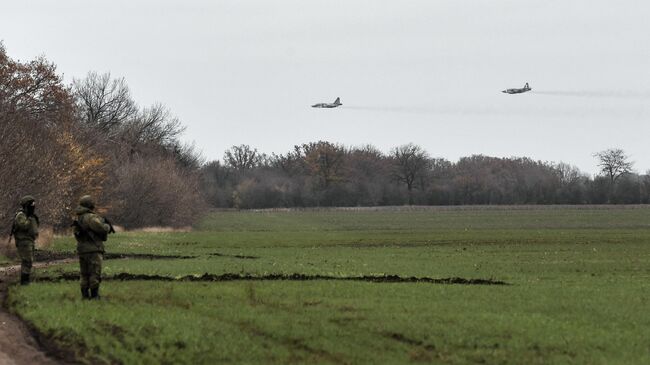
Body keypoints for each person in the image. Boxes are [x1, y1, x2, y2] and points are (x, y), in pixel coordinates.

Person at [72, 195, 114, 299]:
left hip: (82, 249)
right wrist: (107, 226)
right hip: (93, 249)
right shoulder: (90, 217)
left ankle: (85, 296)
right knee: (95, 273)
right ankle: (95, 296)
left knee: (84, 274)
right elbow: (101, 229)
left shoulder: (79, 217)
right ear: (90, 205)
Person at [12, 195, 39, 285]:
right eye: (31, 205)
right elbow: (24, 226)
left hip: (29, 240)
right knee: (27, 260)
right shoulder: (21, 215)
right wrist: (30, 218)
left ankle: (26, 281)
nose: (33, 207)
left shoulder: (29, 215)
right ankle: (24, 282)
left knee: (29, 260)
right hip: (23, 241)